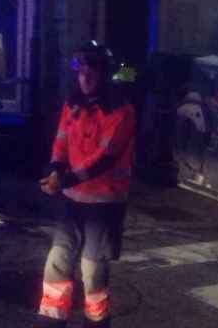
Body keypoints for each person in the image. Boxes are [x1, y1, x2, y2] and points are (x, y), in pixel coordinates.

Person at [34, 42, 135, 328]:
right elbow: (61, 142)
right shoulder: (73, 105)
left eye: (92, 70)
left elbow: (105, 157)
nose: (85, 77)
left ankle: (97, 323)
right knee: (57, 261)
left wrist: (64, 179)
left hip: (104, 203)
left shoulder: (121, 110)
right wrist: (55, 169)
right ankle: (51, 322)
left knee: (92, 271)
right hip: (72, 198)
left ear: (105, 73)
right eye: (81, 71)